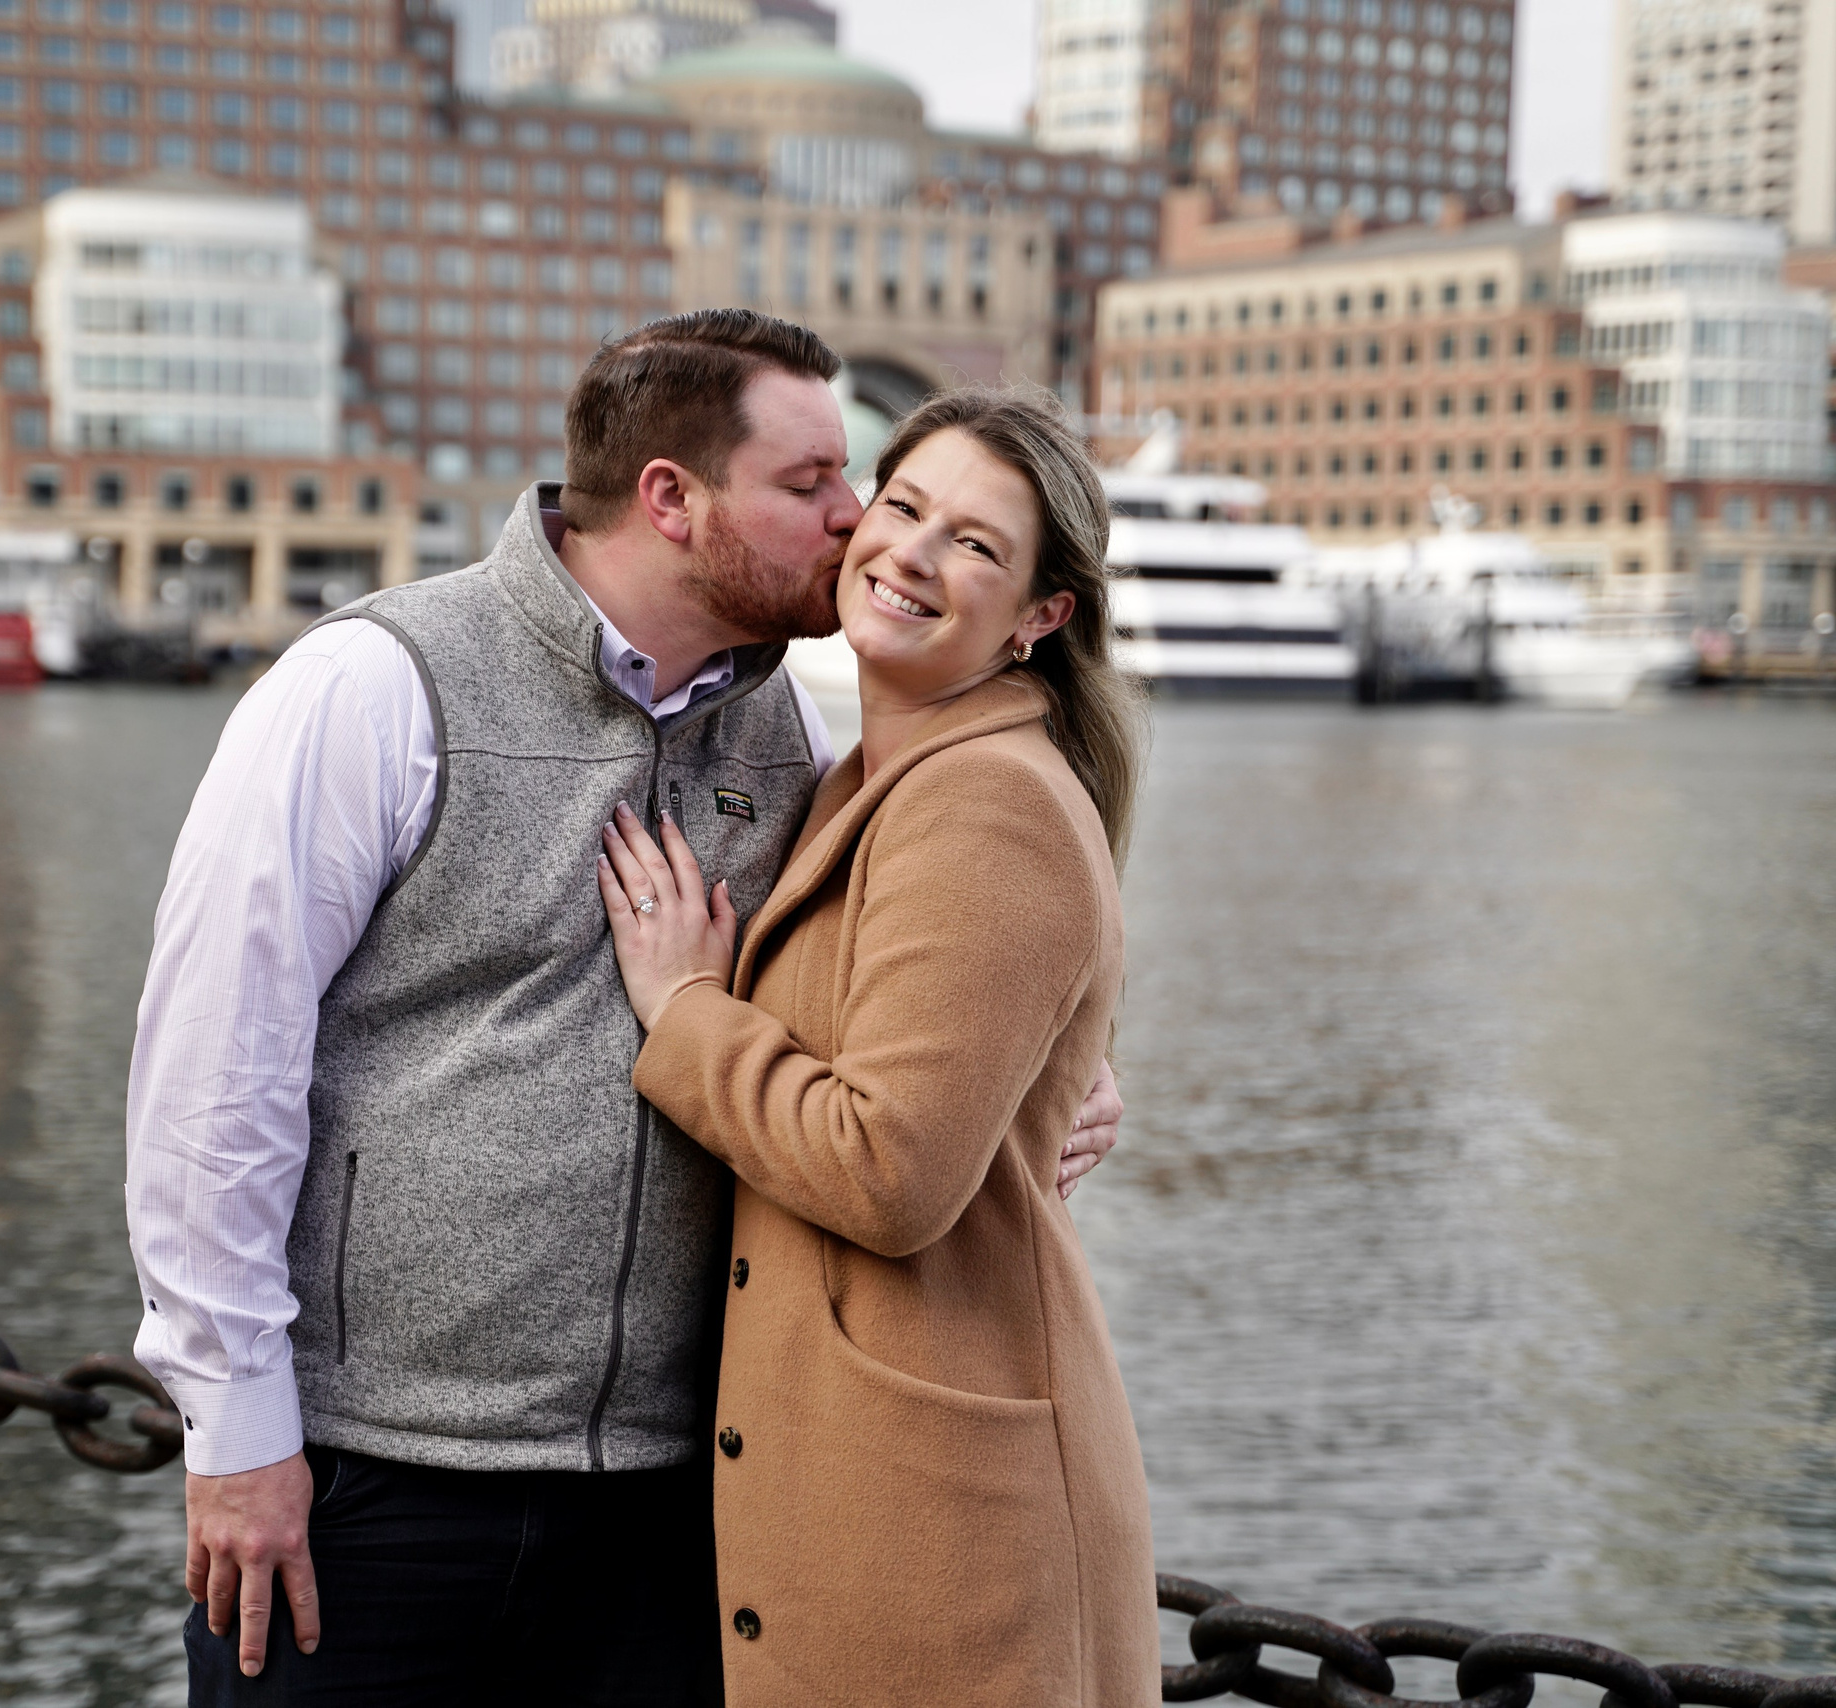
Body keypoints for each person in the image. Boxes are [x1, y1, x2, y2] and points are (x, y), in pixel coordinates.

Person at [124, 311, 1122, 1707]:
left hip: (674, 1513)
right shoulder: (371, 688)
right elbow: (211, 1081)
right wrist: (235, 1433)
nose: (852, 522)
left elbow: (927, 980)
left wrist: (1064, 1073)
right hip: (373, 1490)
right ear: (672, 497)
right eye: (815, 483)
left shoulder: (803, 743)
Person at [596, 386, 1158, 1708]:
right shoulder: (884, 771)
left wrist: (686, 1013)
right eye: (902, 507)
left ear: (1040, 617)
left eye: (975, 542)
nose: (910, 551)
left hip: (937, 1534)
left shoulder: (984, 802)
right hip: (873, 1495)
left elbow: (891, 1171)